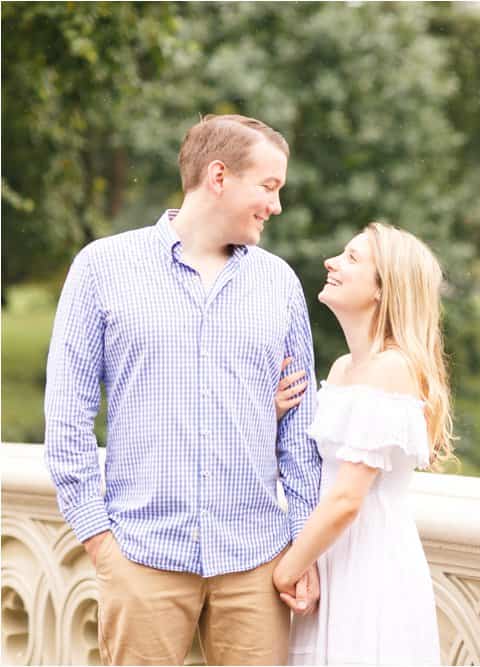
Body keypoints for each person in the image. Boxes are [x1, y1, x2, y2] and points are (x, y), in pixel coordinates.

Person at [44, 114, 322, 665]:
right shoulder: (102, 268)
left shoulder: (279, 284)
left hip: (257, 563)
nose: (277, 205)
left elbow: (300, 432)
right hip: (142, 557)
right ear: (219, 177)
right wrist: (101, 542)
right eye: (269, 187)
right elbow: (67, 420)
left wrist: (303, 546)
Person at [273, 222, 456, 665]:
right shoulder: (340, 370)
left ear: (383, 288)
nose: (331, 263)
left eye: (352, 258)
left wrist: (286, 570)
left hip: (369, 567)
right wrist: (273, 414)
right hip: (331, 558)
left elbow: (346, 500)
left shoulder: (392, 369)